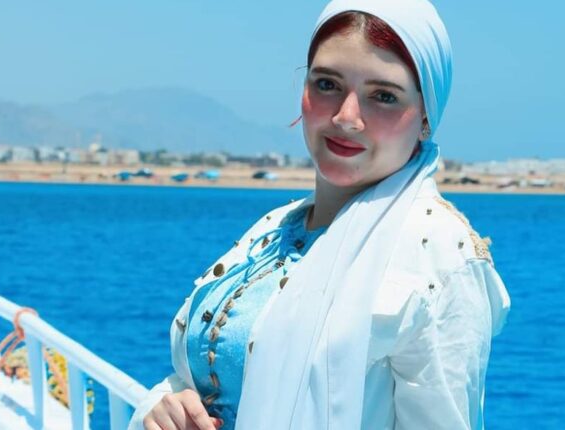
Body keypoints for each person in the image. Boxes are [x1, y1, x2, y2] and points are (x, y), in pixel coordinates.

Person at [130, 0, 510, 429]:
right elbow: (202, 378)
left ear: (426, 115)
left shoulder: (438, 254)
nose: (347, 117)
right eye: (327, 84)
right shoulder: (274, 230)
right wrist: (162, 406)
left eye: (384, 96)